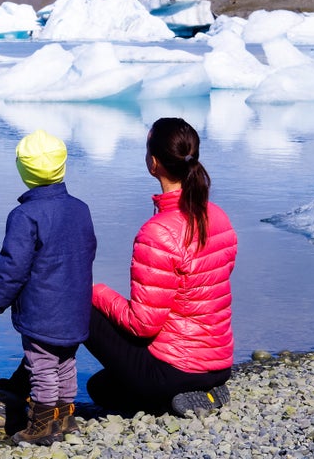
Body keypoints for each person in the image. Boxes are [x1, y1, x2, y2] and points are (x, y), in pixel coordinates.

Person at [0, 130, 96, 445]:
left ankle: (41, 425)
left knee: (41, 365)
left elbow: (13, 266)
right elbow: (88, 251)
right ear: (62, 166)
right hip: (76, 307)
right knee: (66, 362)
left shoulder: (24, 215)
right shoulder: (80, 209)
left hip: (42, 311)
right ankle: (65, 418)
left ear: (24, 171)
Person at [84, 117, 237, 416]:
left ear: (153, 163)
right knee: (101, 387)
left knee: (76, 304)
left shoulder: (157, 232)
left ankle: (28, 397)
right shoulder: (218, 216)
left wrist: (97, 293)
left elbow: (142, 325)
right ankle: (205, 393)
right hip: (219, 364)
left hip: (178, 369)